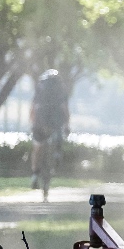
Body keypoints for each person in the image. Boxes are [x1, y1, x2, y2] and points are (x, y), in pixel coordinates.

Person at [29, 69, 70, 198]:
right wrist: (67, 125)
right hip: (55, 124)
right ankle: (57, 153)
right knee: (57, 137)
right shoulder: (61, 90)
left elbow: (33, 108)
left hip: (40, 124)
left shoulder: (40, 88)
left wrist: (33, 123)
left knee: (37, 147)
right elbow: (65, 108)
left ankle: (35, 175)